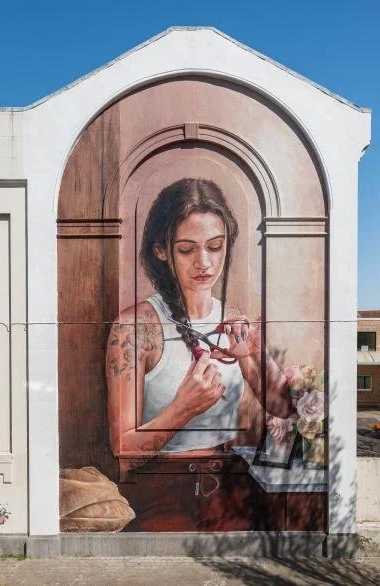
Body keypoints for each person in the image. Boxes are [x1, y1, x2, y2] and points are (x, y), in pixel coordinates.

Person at [105, 177, 292, 530]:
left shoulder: (236, 320)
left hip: (234, 486)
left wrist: (253, 355)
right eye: (188, 249)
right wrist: (183, 407)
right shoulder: (134, 329)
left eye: (215, 246)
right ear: (162, 250)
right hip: (162, 491)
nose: (204, 263)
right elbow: (123, 454)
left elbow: (283, 406)